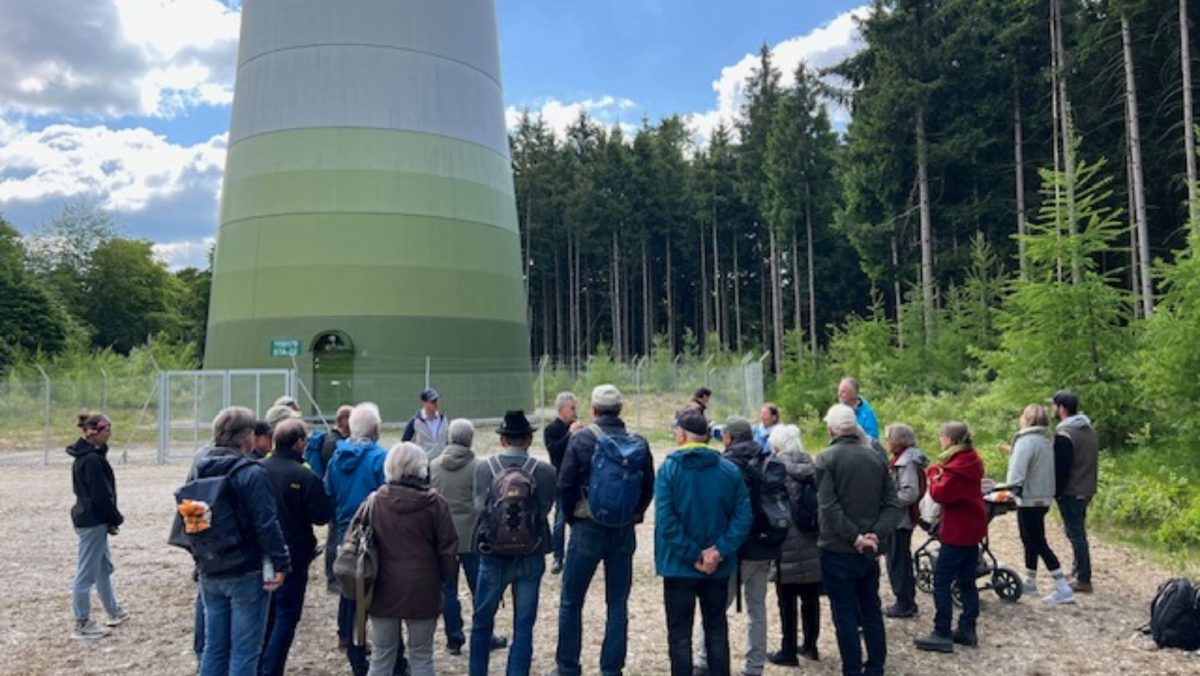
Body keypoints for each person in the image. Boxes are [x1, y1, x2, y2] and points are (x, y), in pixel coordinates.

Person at [554, 385, 654, 676]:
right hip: (623, 530)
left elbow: (565, 485)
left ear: (594, 409)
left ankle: (568, 666)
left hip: (587, 526)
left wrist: (574, 519)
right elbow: (648, 487)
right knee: (617, 602)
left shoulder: (582, 439)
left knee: (571, 600)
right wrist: (633, 515)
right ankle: (611, 669)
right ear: (621, 409)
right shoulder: (639, 442)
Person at [192, 406, 290, 676]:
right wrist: (281, 562)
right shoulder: (252, 472)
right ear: (247, 436)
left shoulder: (200, 467)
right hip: (246, 569)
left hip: (210, 565)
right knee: (245, 652)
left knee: (214, 648)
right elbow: (266, 524)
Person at [655, 408, 752, 676]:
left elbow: (666, 520)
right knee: (717, 630)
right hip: (717, 566)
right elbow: (743, 516)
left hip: (678, 566)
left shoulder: (668, 470)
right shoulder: (728, 470)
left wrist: (693, 555)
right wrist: (718, 551)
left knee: (679, 635)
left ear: (683, 435)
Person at [469, 410, 557, 676]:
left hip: (493, 554)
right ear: (529, 440)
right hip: (531, 554)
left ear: (502, 440)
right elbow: (543, 510)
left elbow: (479, 508)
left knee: (482, 622)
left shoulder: (484, 468)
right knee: (523, 626)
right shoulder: (545, 472)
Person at [816, 404, 901, 676]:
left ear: (831, 429)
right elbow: (893, 504)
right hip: (869, 550)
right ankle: (876, 666)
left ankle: (851, 669)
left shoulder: (826, 459)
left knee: (845, 614)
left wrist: (856, 537)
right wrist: (876, 534)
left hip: (838, 548)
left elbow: (828, 507)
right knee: (870, 608)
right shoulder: (876, 457)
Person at [325, 403, 407, 676]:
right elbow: (389, 497)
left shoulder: (336, 459)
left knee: (351, 595)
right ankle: (396, 660)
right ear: (376, 429)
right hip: (377, 537)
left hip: (346, 535)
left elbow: (330, 494)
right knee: (386, 600)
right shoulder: (380, 459)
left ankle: (356, 656)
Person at [693, 415, 777, 676]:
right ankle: (754, 667)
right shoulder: (768, 458)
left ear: (729, 438)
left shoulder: (727, 464)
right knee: (757, 609)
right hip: (766, 544)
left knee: (715, 607)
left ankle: (704, 660)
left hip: (736, 548)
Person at [367, 442, 459, 676]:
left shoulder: (375, 502)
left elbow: (354, 542)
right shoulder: (435, 504)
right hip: (423, 586)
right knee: (422, 655)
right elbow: (448, 548)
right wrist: (444, 579)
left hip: (382, 587)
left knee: (381, 656)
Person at [260, 418, 334, 676]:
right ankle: (272, 669)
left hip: (261, 553)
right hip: (294, 554)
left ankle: (260, 665)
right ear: (299, 442)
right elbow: (321, 516)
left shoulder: (257, 469)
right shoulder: (304, 474)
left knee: (265, 614)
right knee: (287, 615)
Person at [428, 419, 508, 654]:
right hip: (473, 537)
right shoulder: (479, 467)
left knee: (448, 590)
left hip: (443, 537)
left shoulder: (433, 466)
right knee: (481, 589)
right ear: (470, 439)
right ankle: (485, 634)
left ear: (449, 438)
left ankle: (454, 638)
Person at [914, 421, 986, 654]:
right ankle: (967, 627)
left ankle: (941, 631)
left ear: (951, 440)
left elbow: (940, 494)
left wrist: (933, 473)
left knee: (941, 580)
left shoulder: (955, 468)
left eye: (942, 437)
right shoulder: (972, 459)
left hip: (957, 530)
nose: (939, 440)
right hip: (972, 529)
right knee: (966, 581)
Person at [1004, 404, 1074, 604]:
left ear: (1026, 419)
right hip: (1043, 495)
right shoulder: (1046, 440)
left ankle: (1062, 586)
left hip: (1029, 497)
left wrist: (1010, 488)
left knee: (1037, 540)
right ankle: (1030, 579)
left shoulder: (1026, 441)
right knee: (1029, 537)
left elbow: (1018, 470)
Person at [67, 412, 128, 640]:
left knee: (103, 567)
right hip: (93, 521)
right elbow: (101, 495)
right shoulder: (91, 460)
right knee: (87, 573)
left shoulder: (88, 456)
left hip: (92, 518)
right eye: (107, 430)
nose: (110, 433)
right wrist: (115, 517)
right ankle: (81, 622)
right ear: (96, 432)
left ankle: (113, 611)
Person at [765, 424, 821, 665]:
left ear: (776, 445)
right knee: (811, 597)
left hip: (785, 539)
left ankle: (788, 650)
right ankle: (810, 645)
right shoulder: (813, 466)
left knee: (786, 598)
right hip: (811, 537)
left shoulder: (776, 469)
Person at [1050, 389, 1099, 594]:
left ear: (1061, 408)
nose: (1052, 409)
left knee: (1076, 533)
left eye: (1054, 405)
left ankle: (1084, 578)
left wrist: (1056, 492)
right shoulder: (1089, 429)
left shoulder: (1065, 434)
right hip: (1087, 487)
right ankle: (1078, 570)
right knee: (1077, 530)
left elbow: (1062, 468)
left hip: (1072, 490)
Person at [883, 423, 928, 619]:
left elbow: (910, 493)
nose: (886, 442)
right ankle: (905, 600)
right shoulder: (905, 458)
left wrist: (889, 504)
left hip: (900, 519)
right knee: (898, 558)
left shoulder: (906, 462)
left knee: (897, 560)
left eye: (888, 438)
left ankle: (905, 603)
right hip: (899, 518)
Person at [544, 391, 583, 574]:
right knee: (560, 520)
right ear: (562, 410)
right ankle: (558, 557)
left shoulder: (578, 428)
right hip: (560, 480)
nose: (575, 412)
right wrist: (570, 435)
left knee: (578, 519)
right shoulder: (551, 430)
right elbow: (555, 451)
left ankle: (577, 554)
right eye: (572, 408)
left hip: (578, 480)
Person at [322, 405, 354, 593]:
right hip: (335, 498)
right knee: (333, 538)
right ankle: (332, 578)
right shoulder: (333, 443)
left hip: (336, 496)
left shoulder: (335, 441)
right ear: (343, 421)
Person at [403, 387, 450, 460]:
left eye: (437, 400)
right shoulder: (415, 422)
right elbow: (404, 444)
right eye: (432, 401)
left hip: (442, 463)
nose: (436, 403)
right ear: (424, 403)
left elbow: (449, 439)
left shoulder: (443, 419)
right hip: (423, 464)